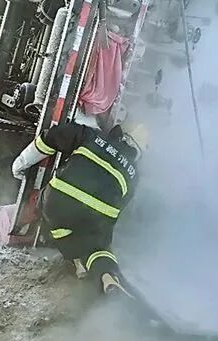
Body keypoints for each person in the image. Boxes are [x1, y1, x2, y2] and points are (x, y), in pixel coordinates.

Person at [12, 111, 148, 297]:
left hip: (59, 202)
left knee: (57, 224)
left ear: (121, 135)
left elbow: (53, 136)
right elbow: (117, 210)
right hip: (94, 217)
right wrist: (100, 239)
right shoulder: (134, 176)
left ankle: (76, 259)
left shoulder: (95, 137)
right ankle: (107, 275)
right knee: (96, 247)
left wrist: (21, 162)